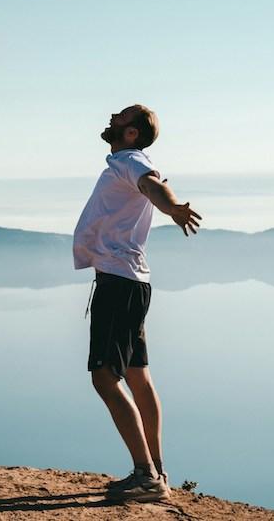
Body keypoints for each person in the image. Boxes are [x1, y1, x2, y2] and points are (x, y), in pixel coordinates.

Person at [72, 104, 201, 502]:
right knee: (136, 374)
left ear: (131, 133)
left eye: (121, 117)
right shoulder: (125, 163)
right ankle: (155, 470)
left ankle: (147, 477)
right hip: (128, 281)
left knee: (104, 377)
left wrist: (172, 207)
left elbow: (153, 186)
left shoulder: (131, 161)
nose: (112, 117)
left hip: (118, 283)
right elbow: (150, 185)